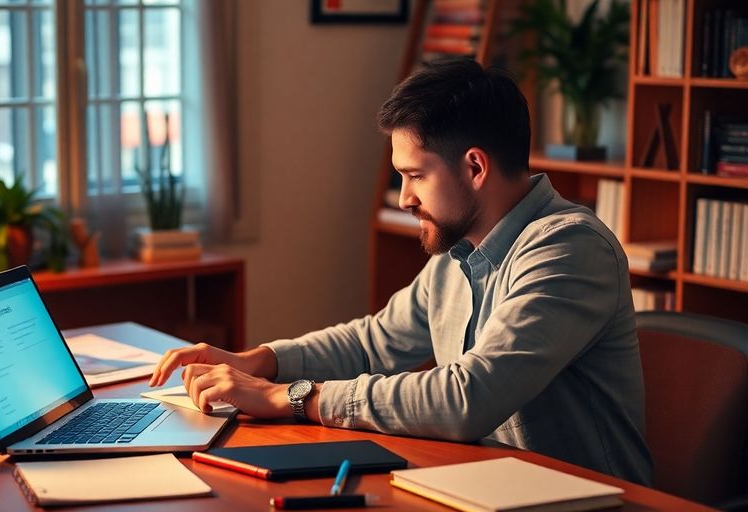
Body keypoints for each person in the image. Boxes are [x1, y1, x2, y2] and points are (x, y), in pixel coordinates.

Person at [148, 59, 652, 485]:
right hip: (492, 482)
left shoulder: (568, 248)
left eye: (415, 176)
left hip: (587, 497)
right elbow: (374, 344)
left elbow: (468, 397)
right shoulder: (460, 251)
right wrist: (260, 362)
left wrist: (291, 398)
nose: (406, 198)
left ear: (475, 168)